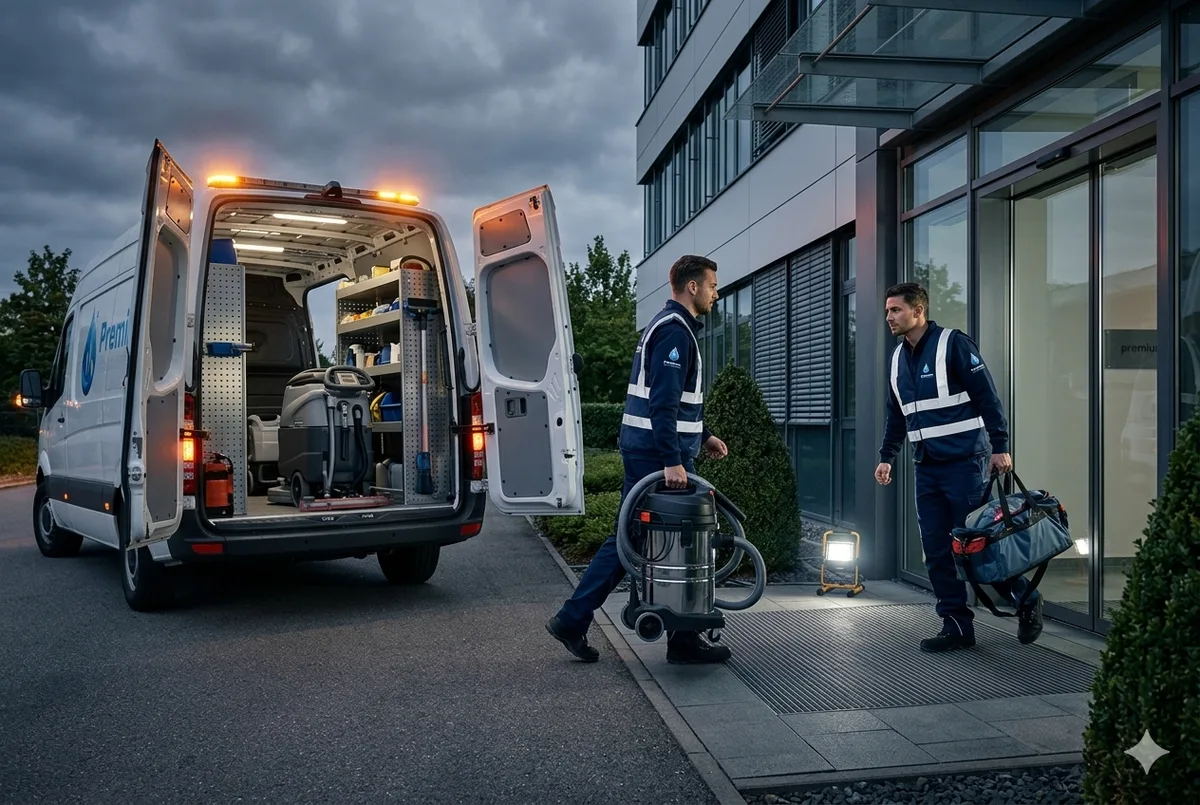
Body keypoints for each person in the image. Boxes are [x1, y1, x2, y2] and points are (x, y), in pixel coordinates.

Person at [546, 254, 731, 665]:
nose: (717, 294)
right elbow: (662, 405)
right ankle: (577, 619)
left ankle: (674, 637)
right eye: (713, 286)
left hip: (657, 451)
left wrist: (705, 434)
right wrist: (672, 460)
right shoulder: (674, 333)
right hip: (658, 456)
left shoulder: (669, 328)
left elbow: (676, 402)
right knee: (641, 541)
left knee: (641, 540)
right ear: (693, 287)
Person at [875, 282, 1043, 652]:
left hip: (966, 462)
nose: (889, 317)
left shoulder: (954, 344)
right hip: (927, 467)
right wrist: (887, 456)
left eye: (896, 310)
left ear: (918, 311)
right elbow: (896, 415)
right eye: (887, 311)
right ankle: (955, 625)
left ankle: (1026, 598)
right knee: (937, 549)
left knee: (979, 546)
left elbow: (987, 397)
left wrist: (1000, 447)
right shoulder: (897, 358)